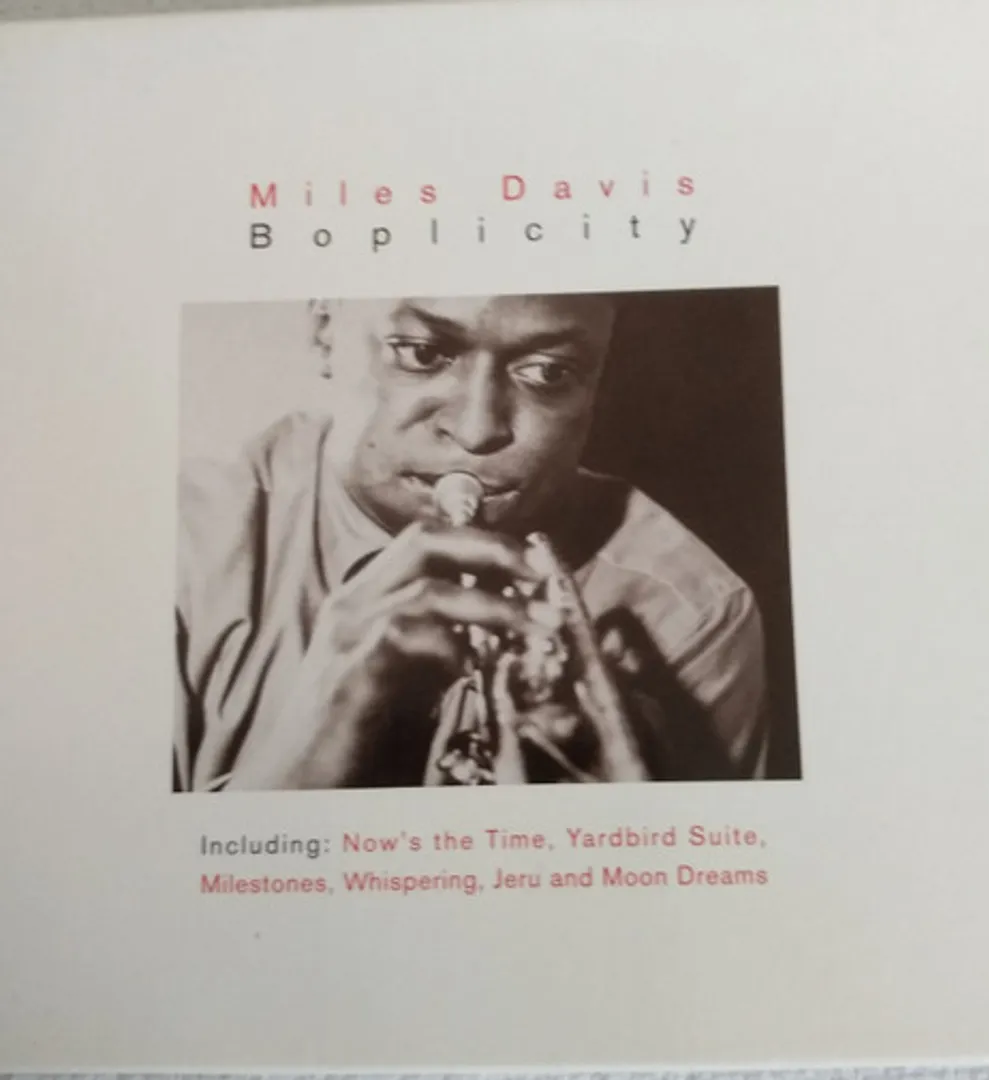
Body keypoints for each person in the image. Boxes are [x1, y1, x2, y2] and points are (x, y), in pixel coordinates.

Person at [174, 293, 770, 790]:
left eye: (549, 373)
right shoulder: (182, 543)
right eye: (421, 353)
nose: (477, 430)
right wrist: (305, 760)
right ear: (324, 328)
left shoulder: (693, 609)